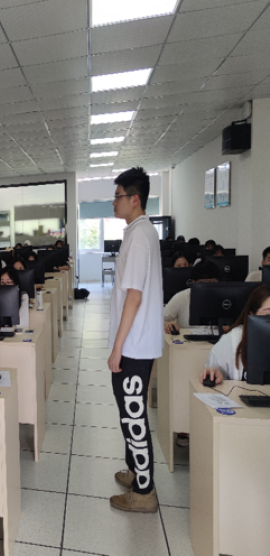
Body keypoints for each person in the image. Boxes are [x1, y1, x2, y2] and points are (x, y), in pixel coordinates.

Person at [107, 167, 163, 513]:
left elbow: (134, 296)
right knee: (129, 413)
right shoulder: (138, 232)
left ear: (135, 199)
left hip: (135, 346)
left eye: (118, 196)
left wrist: (117, 348)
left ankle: (144, 492)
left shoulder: (140, 235)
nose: (113, 202)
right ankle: (135, 471)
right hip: (135, 342)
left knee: (134, 416)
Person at [201, 285, 270, 384]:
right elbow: (212, 376)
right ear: (252, 314)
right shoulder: (231, 341)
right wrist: (216, 374)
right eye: (268, 315)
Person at [164, 260, 220, 334]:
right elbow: (159, 319)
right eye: (203, 283)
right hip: (185, 340)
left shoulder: (222, 299)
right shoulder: (181, 297)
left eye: (212, 282)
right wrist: (166, 324)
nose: (207, 287)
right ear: (193, 282)